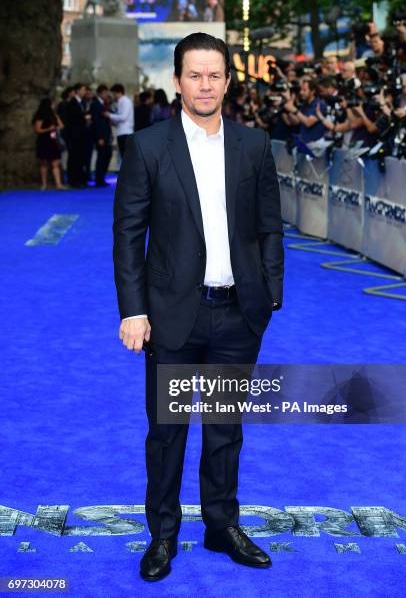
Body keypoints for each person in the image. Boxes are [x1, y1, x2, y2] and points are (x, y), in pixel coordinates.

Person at [113, 32, 284, 581]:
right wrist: (133, 310)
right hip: (171, 317)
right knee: (168, 431)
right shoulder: (147, 147)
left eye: (215, 75)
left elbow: (269, 227)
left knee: (225, 427)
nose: (205, 84)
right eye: (195, 75)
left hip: (238, 315)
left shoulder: (255, 146)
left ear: (228, 82)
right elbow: (128, 236)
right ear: (178, 81)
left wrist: (269, 294)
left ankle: (220, 524)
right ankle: (163, 535)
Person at [32, 97, 66, 190]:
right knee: (44, 163)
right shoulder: (40, 116)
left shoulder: (54, 115)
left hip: (53, 141)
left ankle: (58, 184)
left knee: (55, 162)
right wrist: (48, 129)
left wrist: (56, 127)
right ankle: (44, 184)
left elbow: (61, 125)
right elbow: (37, 129)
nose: (53, 106)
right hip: (44, 141)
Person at [64, 83, 90, 187]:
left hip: (81, 136)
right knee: (73, 158)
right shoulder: (71, 103)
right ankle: (73, 180)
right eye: (83, 90)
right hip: (74, 136)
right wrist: (84, 118)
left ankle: (80, 179)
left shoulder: (82, 103)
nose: (85, 92)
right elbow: (71, 120)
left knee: (80, 158)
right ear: (77, 91)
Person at [90, 84, 112, 186]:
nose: (107, 94)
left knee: (107, 155)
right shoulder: (96, 104)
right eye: (105, 93)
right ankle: (99, 179)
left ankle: (101, 177)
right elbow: (96, 122)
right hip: (101, 136)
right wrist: (99, 137)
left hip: (106, 135)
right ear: (100, 93)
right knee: (102, 157)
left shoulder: (103, 104)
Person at [105, 83, 134, 159]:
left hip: (126, 132)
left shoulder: (125, 101)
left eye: (114, 93)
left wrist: (109, 115)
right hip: (121, 132)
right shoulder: (121, 102)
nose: (113, 96)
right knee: (124, 157)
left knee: (126, 157)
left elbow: (123, 117)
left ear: (119, 92)